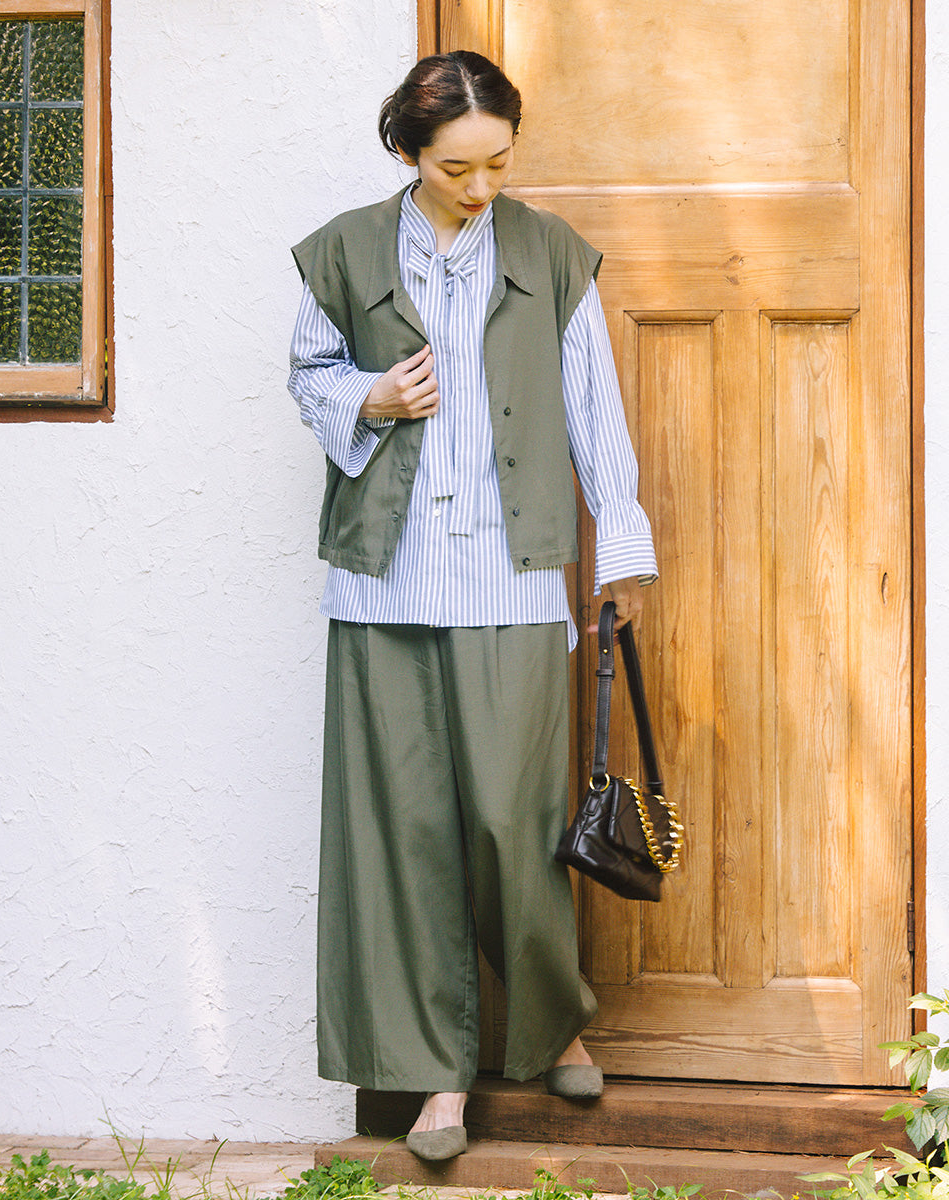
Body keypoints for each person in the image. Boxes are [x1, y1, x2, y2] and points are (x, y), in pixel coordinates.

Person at [288, 51, 658, 1162]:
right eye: (458, 168)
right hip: (384, 583)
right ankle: (437, 1081)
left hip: (511, 576)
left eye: (499, 162)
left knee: (512, 823)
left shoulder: (549, 253)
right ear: (410, 151)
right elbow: (307, 372)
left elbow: (593, 406)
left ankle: (551, 1026)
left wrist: (621, 553)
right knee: (401, 836)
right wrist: (367, 396)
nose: (482, 187)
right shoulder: (345, 249)